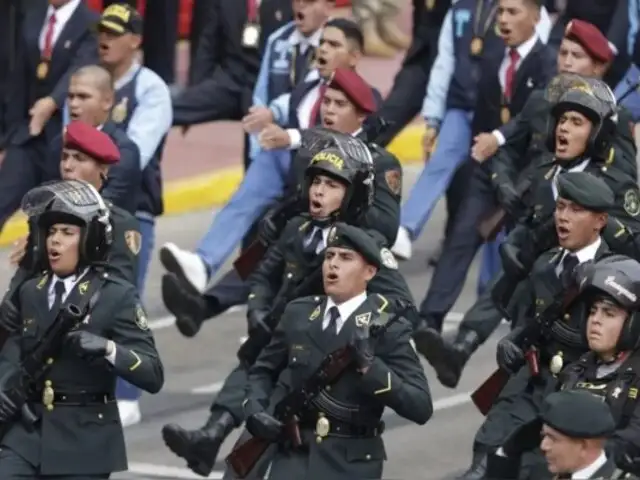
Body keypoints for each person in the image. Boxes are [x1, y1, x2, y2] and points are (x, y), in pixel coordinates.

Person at [161, 141, 412, 477]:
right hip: (283, 355)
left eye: (331, 185)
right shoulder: (299, 229)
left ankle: (212, 436)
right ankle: (211, 435)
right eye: (316, 183)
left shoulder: (363, 247)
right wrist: (257, 312)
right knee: (241, 465)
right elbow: (263, 275)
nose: (318, 192)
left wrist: (362, 331)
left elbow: (401, 304)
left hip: (324, 378)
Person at [421, 78, 640, 390]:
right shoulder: (548, 174)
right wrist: (517, 239)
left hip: (583, 301)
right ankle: (464, 348)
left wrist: (589, 227)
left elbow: (632, 242)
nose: (563, 129)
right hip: (534, 301)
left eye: (575, 122)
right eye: (561, 120)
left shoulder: (610, 183)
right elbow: (529, 219)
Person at [159, 67, 402, 337]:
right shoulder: (310, 152)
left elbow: (386, 229)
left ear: (361, 115)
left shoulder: (379, 163)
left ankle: (207, 308)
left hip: (342, 266)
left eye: (340, 104)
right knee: (261, 252)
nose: (329, 110)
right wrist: (279, 218)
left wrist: (350, 198)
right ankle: (205, 306)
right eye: (327, 102)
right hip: (301, 252)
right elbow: (301, 200)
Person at [238, 222, 431, 479]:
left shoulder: (387, 326)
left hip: (351, 464)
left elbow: (420, 406)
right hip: (295, 457)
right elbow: (262, 370)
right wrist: (253, 410)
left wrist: (371, 368)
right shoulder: (299, 313)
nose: (333, 264)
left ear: (369, 272)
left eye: (346, 257)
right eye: (329, 256)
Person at [0, 179, 164, 479]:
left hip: (85, 440)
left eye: (67, 232)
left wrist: (109, 349)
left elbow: (152, 374)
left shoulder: (116, 296)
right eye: (51, 231)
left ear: (90, 239)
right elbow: (11, 356)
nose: (54, 241)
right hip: (27, 436)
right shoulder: (31, 292)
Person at [459, 170, 615, 479]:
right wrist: (512, 341)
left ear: (600, 221)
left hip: (579, 395)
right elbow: (525, 322)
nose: (564, 217)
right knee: (486, 455)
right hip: (529, 387)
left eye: (576, 210)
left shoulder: (613, 277)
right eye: (561, 207)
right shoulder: (544, 265)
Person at [489, 255, 640, 478]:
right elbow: (548, 426)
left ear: (633, 325)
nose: (595, 320)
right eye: (592, 311)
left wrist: (590, 452)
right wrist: (508, 450)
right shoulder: (575, 370)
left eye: (608, 313)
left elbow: (634, 438)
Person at [95, 4, 173, 425]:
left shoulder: (150, 88)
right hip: (88, 206)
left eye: (114, 32)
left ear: (136, 39)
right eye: (102, 31)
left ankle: (127, 392)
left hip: (133, 210)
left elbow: (133, 157)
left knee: (125, 301)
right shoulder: (91, 81)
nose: (104, 39)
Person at [0, 0, 98, 234]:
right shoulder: (33, 15)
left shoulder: (90, 22)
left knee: (54, 223)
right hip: (28, 136)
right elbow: (19, 79)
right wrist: (9, 136)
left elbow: (79, 70)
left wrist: (53, 101)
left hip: (65, 141)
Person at [8, 120, 140, 292]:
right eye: (64, 157)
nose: (68, 166)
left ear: (103, 169)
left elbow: (120, 293)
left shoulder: (119, 223)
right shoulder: (43, 218)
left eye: (79, 159)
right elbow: (23, 282)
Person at [60, 65, 141, 215]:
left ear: (107, 101)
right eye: (70, 96)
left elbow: (107, 206)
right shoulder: (58, 144)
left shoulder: (123, 150)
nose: (73, 104)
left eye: (83, 97)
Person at [490, 390, 619, 479]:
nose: (543, 446)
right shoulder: (540, 472)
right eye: (543, 436)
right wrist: (507, 450)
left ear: (583, 446)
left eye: (553, 438)